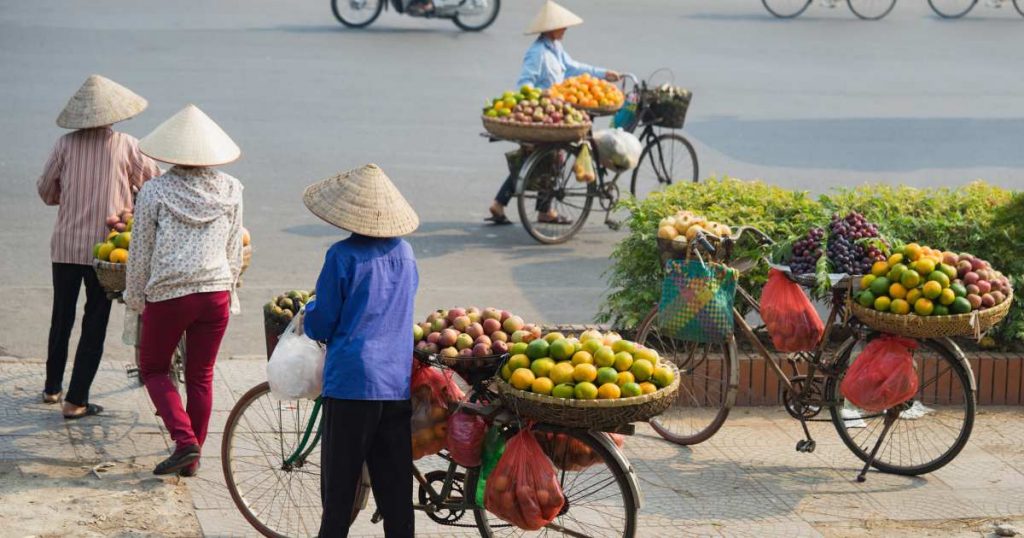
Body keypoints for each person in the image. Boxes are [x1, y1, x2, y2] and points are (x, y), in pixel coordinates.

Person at [300, 164, 419, 538]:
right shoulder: (406, 252)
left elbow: (322, 322)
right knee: (395, 489)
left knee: (339, 489)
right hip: (395, 382)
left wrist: (309, 315)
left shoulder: (342, 256)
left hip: (352, 384)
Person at [124, 104, 244, 477]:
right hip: (215, 294)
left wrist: (134, 298)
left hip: (170, 295)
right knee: (201, 375)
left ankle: (184, 441)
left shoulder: (154, 191)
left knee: (153, 367)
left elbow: (140, 250)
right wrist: (230, 286)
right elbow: (233, 249)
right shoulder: (231, 188)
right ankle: (192, 458)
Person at [37, 74, 160, 419]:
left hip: (64, 247)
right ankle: (76, 399)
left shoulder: (64, 144)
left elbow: (47, 191)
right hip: (107, 251)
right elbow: (157, 186)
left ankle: (51, 387)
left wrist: (70, 198)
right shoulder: (128, 146)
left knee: (61, 316)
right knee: (95, 320)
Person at [486, 0, 620, 226]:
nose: (565, 30)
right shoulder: (537, 53)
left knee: (539, 159)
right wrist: (545, 96)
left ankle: (503, 204)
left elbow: (573, 67)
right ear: (551, 28)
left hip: (557, 110)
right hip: (544, 114)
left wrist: (602, 73)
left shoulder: (555, 48)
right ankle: (542, 210)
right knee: (550, 158)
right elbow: (525, 84)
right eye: (562, 26)